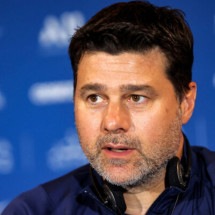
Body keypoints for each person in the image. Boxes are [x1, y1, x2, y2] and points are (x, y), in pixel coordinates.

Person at [2, 1, 215, 214]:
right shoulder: (33, 211)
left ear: (185, 104)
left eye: (136, 98)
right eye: (95, 98)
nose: (112, 122)